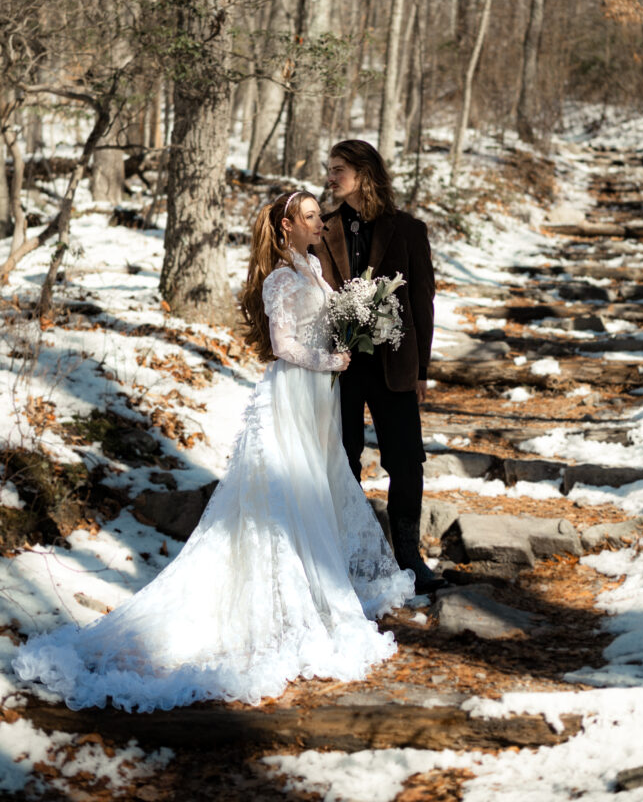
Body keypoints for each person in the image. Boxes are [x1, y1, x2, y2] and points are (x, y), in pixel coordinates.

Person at [12, 191, 414, 712]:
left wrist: (354, 332)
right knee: (289, 493)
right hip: (294, 391)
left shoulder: (314, 266)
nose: (321, 223)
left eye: (321, 215)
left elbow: (325, 326)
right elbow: (285, 346)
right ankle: (290, 596)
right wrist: (330, 361)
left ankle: (322, 583)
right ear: (288, 226)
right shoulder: (280, 280)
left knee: (319, 482)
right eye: (311, 216)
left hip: (319, 398)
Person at [313, 140, 446, 595]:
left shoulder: (408, 230)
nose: (330, 178)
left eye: (338, 170)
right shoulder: (322, 229)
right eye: (329, 170)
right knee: (344, 457)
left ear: (364, 173)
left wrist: (422, 368)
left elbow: (422, 304)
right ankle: (352, 554)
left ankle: (409, 556)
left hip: (395, 365)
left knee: (407, 460)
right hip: (339, 366)